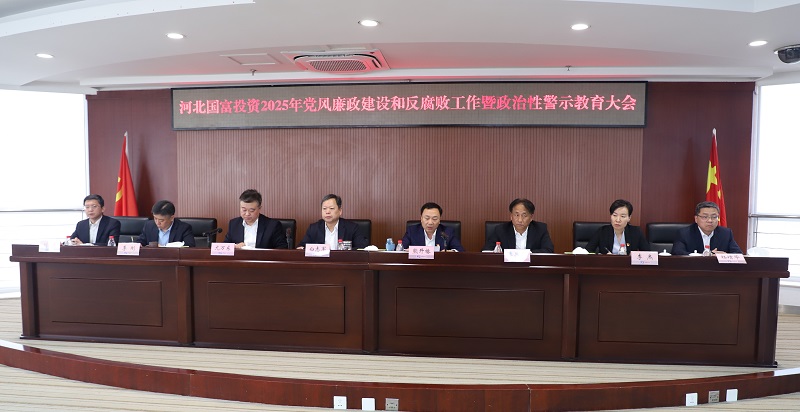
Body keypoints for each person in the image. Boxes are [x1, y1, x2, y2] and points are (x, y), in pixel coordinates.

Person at [297, 194, 369, 249]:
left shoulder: (352, 228)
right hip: (320, 263)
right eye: (324, 208)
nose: (327, 212)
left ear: (340, 211)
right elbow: (302, 247)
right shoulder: (313, 228)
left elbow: (362, 248)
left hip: (343, 263)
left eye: (331, 208)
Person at [671, 201, 742, 255]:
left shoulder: (725, 233)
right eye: (705, 217)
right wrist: (706, 256)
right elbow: (677, 253)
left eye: (714, 217)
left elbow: (738, 254)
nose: (710, 220)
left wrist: (724, 256)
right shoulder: (684, 233)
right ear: (696, 219)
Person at [223, 189, 287, 249]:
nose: (247, 214)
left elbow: (282, 249)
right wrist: (235, 246)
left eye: (251, 210)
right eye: (244, 210)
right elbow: (225, 247)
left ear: (259, 208)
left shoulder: (272, 225)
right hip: (239, 257)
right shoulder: (234, 224)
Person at [484, 198, 554, 253]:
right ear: (511, 216)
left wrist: (527, 254)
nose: (520, 220)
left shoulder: (540, 229)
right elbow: (486, 251)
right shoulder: (500, 230)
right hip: (508, 266)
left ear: (531, 217)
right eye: (516, 215)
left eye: (524, 215)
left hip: (531, 266)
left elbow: (549, 250)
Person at [585, 199, 650, 254]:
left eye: (622, 216)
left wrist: (633, 257)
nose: (618, 220)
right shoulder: (602, 232)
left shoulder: (636, 232)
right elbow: (587, 252)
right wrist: (603, 257)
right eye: (615, 215)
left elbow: (648, 254)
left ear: (629, 218)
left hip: (628, 265)